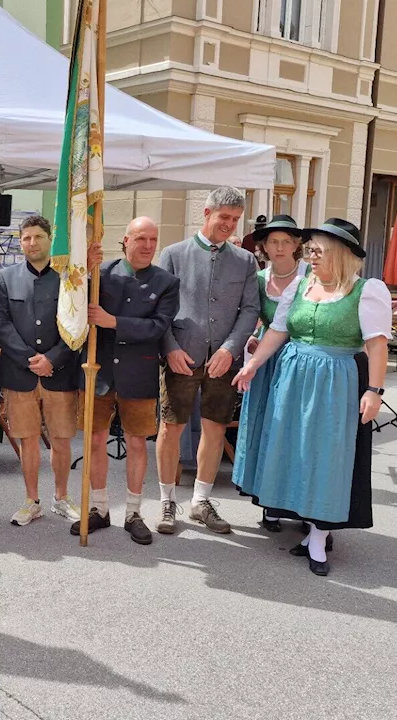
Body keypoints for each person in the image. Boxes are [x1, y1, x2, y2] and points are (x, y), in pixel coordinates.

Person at [233, 218, 391, 576]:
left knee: (327, 456)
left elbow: (376, 344)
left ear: (340, 254)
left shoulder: (366, 290)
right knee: (296, 451)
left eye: (317, 251)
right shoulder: (302, 285)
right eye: (310, 251)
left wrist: (374, 391)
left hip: (335, 380)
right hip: (292, 378)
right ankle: (301, 520)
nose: (311, 257)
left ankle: (319, 536)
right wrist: (254, 365)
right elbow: (278, 330)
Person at [154, 187, 260, 535]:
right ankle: (167, 500)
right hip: (181, 357)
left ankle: (201, 500)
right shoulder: (173, 254)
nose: (229, 225)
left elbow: (250, 310)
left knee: (214, 428)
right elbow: (160, 311)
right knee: (171, 428)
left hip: (223, 361)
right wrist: (169, 347)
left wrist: (230, 348)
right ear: (207, 213)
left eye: (234, 219)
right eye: (223, 217)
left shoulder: (245, 261)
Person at [69, 217, 178, 543]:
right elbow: (74, 305)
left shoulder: (166, 282)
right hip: (97, 371)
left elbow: (157, 328)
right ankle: (99, 508)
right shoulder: (102, 274)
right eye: (141, 238)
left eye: (152, 240)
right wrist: (84, 269)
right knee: (95, 441)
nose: (147, 245)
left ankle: (133, 512)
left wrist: (112, 320)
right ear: (125, 240)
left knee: (135, 443)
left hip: (138, 374)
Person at [0, 215, 82, 527]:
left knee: (61, 438)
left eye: (38, 237)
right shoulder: (6, 278)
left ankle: (61, 496)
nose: (32, 243)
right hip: (21, 373)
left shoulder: (69, 277)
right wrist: (31, 358)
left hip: (60, 373)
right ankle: (32, 500)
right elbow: (2, 325)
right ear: (21, 242)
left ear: (49, 239)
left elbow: (76, 323)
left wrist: (53, 358)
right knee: (27, 438)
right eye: (26, 238)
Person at [231, 215, 308, 533]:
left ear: (296, 245)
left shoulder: (310, 277)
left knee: (297, 433)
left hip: (300, 363)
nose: (279, 247)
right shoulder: (259, 279)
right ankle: (269, 502)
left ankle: (304, 505)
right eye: (273, 241)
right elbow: (256, 316)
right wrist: (253, 334)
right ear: (263, 246)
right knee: (267, 430)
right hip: (265, 363)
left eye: (286, 241)